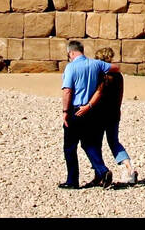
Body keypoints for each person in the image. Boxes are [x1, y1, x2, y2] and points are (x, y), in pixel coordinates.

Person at [58, 41, 121, 190]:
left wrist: (65, 112)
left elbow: (67, 91)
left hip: (76, 110)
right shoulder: (96, 64)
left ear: (71, 53)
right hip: (91, 110)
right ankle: (103, 171)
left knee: (70, 147)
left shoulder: (71, 67)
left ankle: (72, 180)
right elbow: (116, 68)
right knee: (88, 144)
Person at [89, 47, 137, 186]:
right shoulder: (118, 76)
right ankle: (129, 169)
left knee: (95, 144)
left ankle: (100, 173)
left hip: (99, 114)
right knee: (114, 142)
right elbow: (120, 95)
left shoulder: (100, 76)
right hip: (114, 113)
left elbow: (96, 95)